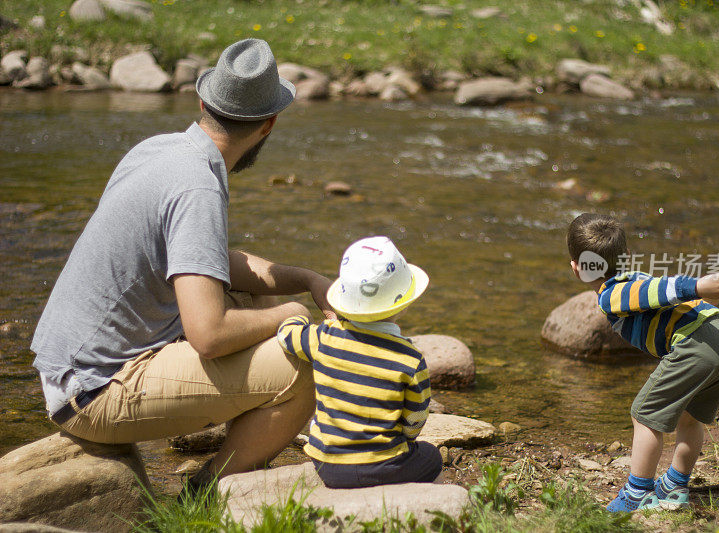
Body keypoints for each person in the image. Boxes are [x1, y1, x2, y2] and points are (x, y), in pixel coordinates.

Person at [30, 39, 334, 491]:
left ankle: (238, 440)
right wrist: (293, 314)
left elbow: (208, 260)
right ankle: (209, 491)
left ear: (203, 103)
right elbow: (208, 336)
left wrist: (307, 280)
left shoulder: (161, 150)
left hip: (68, 368)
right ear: (269, 124)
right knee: (305, 362)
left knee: (254, 298)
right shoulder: (199, 187)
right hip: (92, 392)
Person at [566, 213, 719, 512]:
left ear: (576, 268)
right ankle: (675, 486)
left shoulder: (613, 295)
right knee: (690, 416)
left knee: (644, 414)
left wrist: (699, 287)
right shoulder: (635, 275)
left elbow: (664, 289)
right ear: (625, 257)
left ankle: (638, 493)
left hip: (699, 343)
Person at [276, 236, 443, 488]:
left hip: (327, 465)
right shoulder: (410, 358)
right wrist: (406, 440)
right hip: (384, 466)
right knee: (431, 456)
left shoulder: (325, 336)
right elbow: (415, 419)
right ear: (403, 304)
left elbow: (286, 336)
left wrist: (295, 315)